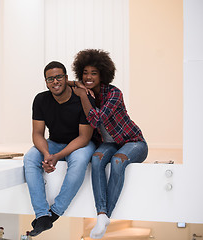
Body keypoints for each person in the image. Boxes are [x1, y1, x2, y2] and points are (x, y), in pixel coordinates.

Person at [70, 49, 148, 239]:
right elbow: (64, 81)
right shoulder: (85, 90)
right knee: (96, 160)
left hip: (133, 142)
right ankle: (101, 215)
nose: (89, 77)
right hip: (110, 143)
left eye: (94, 73)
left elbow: (97, 120)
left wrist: (82, 95)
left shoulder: (114, 93)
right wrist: (76, 84)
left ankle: (105, 215)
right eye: (85, 73)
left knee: (117, 162)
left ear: (103, 75)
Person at [23, 61, 96, 237]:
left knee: (78, 161)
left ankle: (55, 212)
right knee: (30, 158)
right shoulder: (41, 99)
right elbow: (38, 134)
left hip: (80, 143)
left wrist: (57, 156)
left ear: (66, 78)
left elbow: (84, 137)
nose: (55, 82)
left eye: (58, 77)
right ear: (46, 82)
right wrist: (48, 154)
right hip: (54, 142)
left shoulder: (83, 98)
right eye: (50, 79)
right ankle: (42, 215)